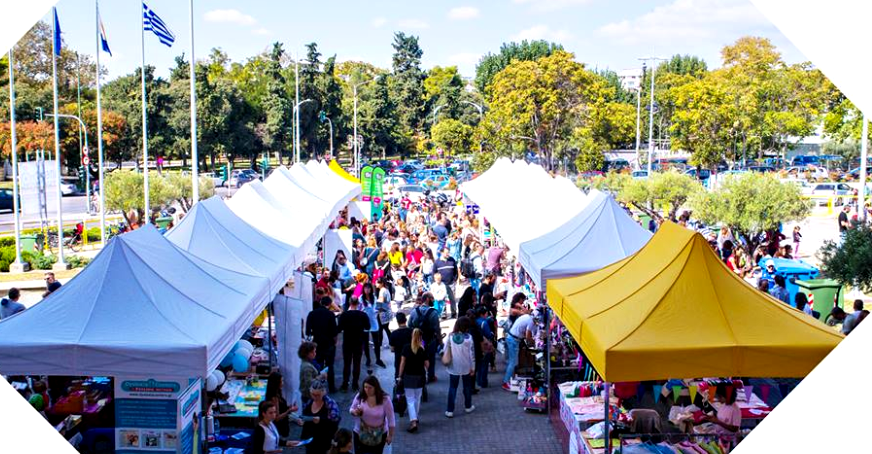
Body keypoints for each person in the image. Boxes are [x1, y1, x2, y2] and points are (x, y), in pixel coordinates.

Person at [349, 375, 395, 454]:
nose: (367, 390)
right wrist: (355, 412)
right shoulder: (360, 396)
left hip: (379, 435)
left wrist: (390, 435)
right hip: (360, 433)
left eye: (370, 388)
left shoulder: (385, 399)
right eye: (365, 387)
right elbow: (351, 409)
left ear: (376, 388)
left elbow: (391, 418)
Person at [443, 316, 476, 418]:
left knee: (452, 388)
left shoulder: (451, 336)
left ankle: (450, 410)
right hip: (466, 366)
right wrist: (473, 367)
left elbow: (445, 350)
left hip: (454, 367)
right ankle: (468, 406)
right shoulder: (469, 338)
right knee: (467, 387)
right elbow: (472, 355)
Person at [398, 328, 429, 432]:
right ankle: (415, 417)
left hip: (408, 376)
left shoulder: (406, 348)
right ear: (421, 337)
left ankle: (413, 421)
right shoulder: (422, 349)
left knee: (410, 400)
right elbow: (427, 365)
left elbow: (402, 363)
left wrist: (399, 376)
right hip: (420, 376)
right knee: (417, 398)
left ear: (412, 336)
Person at [338, 297, 371, 392]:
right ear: (358, 303)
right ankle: (355, 384)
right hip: (358, 341)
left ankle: (345, 384)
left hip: (347, 341)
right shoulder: (363, 315)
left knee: (347, 364)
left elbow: (339, 329)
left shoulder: (344, 315)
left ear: (349, 303)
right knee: (357, 363)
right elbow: (368, 327)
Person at [306, 296, 339, 392]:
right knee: (330, 366)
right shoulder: (330, 315)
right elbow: (334, 332)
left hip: (316, 345)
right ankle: (332, 387)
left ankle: (317, 386)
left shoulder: (311, 314)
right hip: (328, 344)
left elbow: (308, 332)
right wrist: (334, 343)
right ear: (329, 305)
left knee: (317, 366)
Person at [300, 379, 341, 454]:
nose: (315, 397)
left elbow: (335, 422)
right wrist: (302, 421)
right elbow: (305, 415)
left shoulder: (330, 404)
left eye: (318, 395)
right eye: (313, 394)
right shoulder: (309, 402)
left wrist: (321, 420)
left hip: (324, 441)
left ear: (324, 392)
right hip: (310, 441)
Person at [408, 293, 441, 382]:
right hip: (430, 340)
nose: (433, 301)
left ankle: (420, 375)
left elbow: (409, 325)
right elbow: (437, 329)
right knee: (431, 358)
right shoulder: (433, 312)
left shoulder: (414, 311)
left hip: (418, 340)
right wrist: (440, 342)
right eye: (432, 299)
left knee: (418, 358)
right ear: (427, 299)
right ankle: (431, 376)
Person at [503, 303, 534, 391]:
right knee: (513, 362)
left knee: (512, 362)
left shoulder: (527, 317)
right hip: (513, 340)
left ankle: (509, 379)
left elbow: (524, 332)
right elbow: (528, 336)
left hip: (511, 338)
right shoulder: (531, 321)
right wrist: (533, 341)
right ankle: (506, 382)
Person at [264, 372, 296, 438]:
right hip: (279, 425)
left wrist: (288, 407)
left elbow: (281, 407)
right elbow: (276, 418)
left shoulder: (277, 392)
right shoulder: (274, 398)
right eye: (281, 381)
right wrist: (289, 411)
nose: (283, 383)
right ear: (276, 383)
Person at [435, 248, 459, 318]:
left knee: (452, 299)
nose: (448, 254)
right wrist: (436, 282)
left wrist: (455, 279)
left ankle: (453, 313)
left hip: (451, 283)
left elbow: (456, 270)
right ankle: (443, 313)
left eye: (448, 252)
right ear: (442, 253)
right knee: (442, 299)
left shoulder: (452, 260)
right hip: (441, 284)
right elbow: (434, 272)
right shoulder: (437, 262)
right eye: (446, 253)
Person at [475, 306, 495, 388]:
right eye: (486, 313)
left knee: (479, 365)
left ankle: (478, 381)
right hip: (485, 345)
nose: (487, 315)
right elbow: (489, 335)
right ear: (482, 314)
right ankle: (483, 382)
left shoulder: (476, 321)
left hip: (477, 345)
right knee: (484, 365)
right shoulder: (485, 323)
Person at [389, 312, 413, 379]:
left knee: (399, 376)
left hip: (399, 359)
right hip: (412, 358)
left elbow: (392, 349)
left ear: (397, 322)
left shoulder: (393, 334)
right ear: (406, 320)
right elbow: (422, 344)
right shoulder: (413, 331)